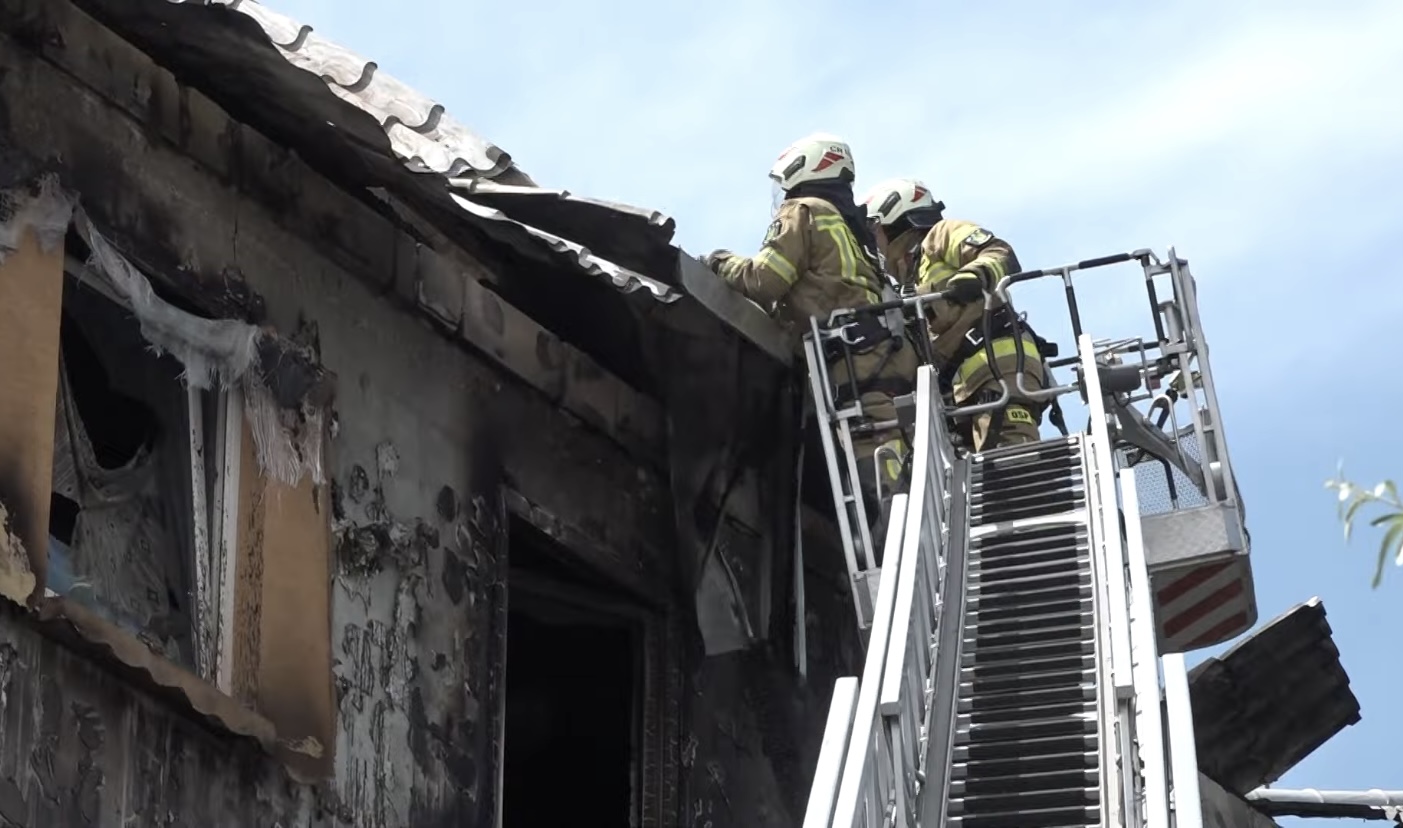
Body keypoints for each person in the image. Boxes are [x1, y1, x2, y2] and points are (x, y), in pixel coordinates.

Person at [703, 133, 918, 549]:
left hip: (851, 370)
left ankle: (897, 549)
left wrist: (718, 261)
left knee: (872, 463)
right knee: (894, 451)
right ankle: (909, 537)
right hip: (884, 362)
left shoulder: (803, 211)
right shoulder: (855, 233)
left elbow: (764, 281)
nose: (781, 193)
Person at [860, 177, 1049, 451]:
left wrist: (973, 276)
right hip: (962, 389)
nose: (873, 242)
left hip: (999, 369)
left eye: (874, 230)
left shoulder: (940, 235)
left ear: (892, 219)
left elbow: (1000, 253)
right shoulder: (904, 283)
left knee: (1013, 464)